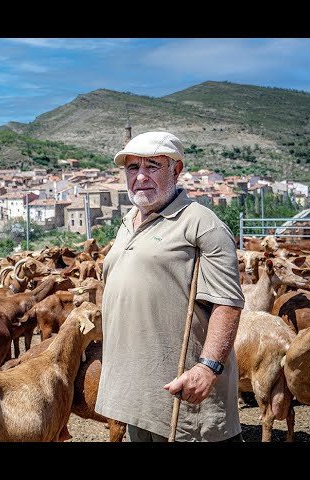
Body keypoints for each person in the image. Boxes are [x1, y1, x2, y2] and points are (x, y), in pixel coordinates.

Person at [94, 131, 245, 442]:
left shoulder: (202, 224)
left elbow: (227, 303)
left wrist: (208, 368)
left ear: (176, 170)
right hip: (137, 399)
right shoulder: (127, 222)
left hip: (182, 398)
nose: (141, 177)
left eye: (153, 166)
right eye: (133, 168)